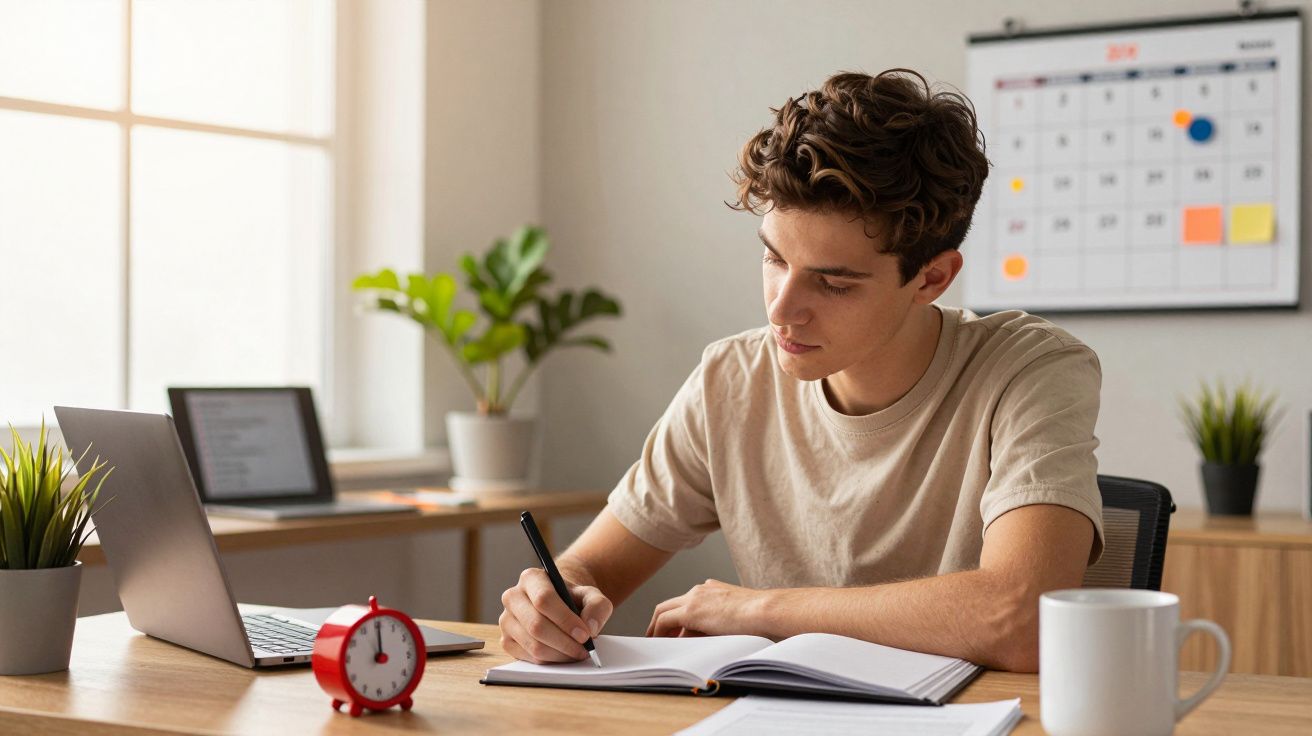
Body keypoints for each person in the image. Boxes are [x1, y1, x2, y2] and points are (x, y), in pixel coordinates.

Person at [497, 69, 1102, 673]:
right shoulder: (730, 380)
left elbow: (1021, 618)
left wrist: (763, 610)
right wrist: (552, 600)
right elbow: (592, 569)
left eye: (833, 283)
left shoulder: (1030, 369)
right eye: (773, 257)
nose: (781, 309)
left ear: (932, 278)